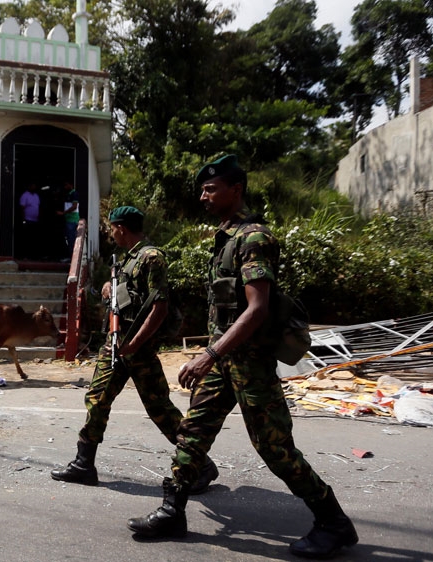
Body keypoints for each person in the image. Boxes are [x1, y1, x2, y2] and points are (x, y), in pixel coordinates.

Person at [125, 155, 358, 559]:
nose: (203, 197)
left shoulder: (253, 238)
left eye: (210, 189)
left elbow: (257, 309)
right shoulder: (226, 238)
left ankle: (333, 522)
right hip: (224, 361)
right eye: (202, 190)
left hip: (249, 363)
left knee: (274, 447)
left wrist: (208, 354)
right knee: (193, 432)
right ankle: (172, 510)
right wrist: (213, 355)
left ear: (236, 190)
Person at [51, 205, 219, 494]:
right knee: (97, 399)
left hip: (137, 348)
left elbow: (159, 307)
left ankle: (200, 464)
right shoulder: (127, 260)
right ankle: (83, 463)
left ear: (121, 228)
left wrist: (135, 344)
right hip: (116, 345)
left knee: (160, 409)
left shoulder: (151, 257)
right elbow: (126, 295)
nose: (111, 233)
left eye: (112, 228)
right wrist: (108, 288)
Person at [58, 180, 80, 259]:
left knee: (71, 240)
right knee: (69, 239)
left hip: (72, 220)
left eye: (66, 185)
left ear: (71, 185)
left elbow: (74, 206)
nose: (65, 187)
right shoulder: (68, 194)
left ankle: (72, 258)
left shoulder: (74, 194)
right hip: (68, 220)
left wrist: (63, 213)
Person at [19, 182, 41, 259]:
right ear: (29, 186)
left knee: (34, 239)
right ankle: (25, 255)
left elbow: (38, 206)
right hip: (27, 220)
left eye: (34, 186)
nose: (34, 187)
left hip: (35, 220)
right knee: (27, 238)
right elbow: (21, 208)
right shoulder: (25, 195)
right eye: (32, 186)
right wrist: (23, 220)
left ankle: (33, 255)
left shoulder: (36, 196)